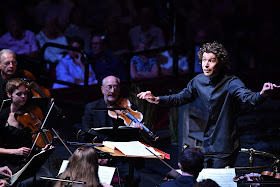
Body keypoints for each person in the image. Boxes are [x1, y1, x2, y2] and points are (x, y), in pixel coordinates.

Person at [137, 41, 280, 168]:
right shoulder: (198, 81)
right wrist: (156, 99)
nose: (206, 64)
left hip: (225, 145)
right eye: (204, 60)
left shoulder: (231, 82)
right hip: (207, 143)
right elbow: (180, 98)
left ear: (221, 63)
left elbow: (249, 98)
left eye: (211, 60)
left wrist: (262, 94)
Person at [77, 75, 141, 186]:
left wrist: (135, 131)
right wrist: (97, 156)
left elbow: (130, 140)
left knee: (135, 178)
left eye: (116, 87)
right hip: (96, 155)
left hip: (119, 155)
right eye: (109, 87)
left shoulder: (126, 108)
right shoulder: (91, 108)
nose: (112, 91)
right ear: (102, 89)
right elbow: (84, 137)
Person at [0, 78, 53, 187]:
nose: (23, 97)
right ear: (9, 95)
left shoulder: (32, 114)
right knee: (24, 183)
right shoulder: (3, 116)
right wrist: (15, 151)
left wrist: (41, 150)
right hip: (9, 162)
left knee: (47, 178)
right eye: (19, 94)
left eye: (25, 93)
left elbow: (33, 143)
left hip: (29, 161)